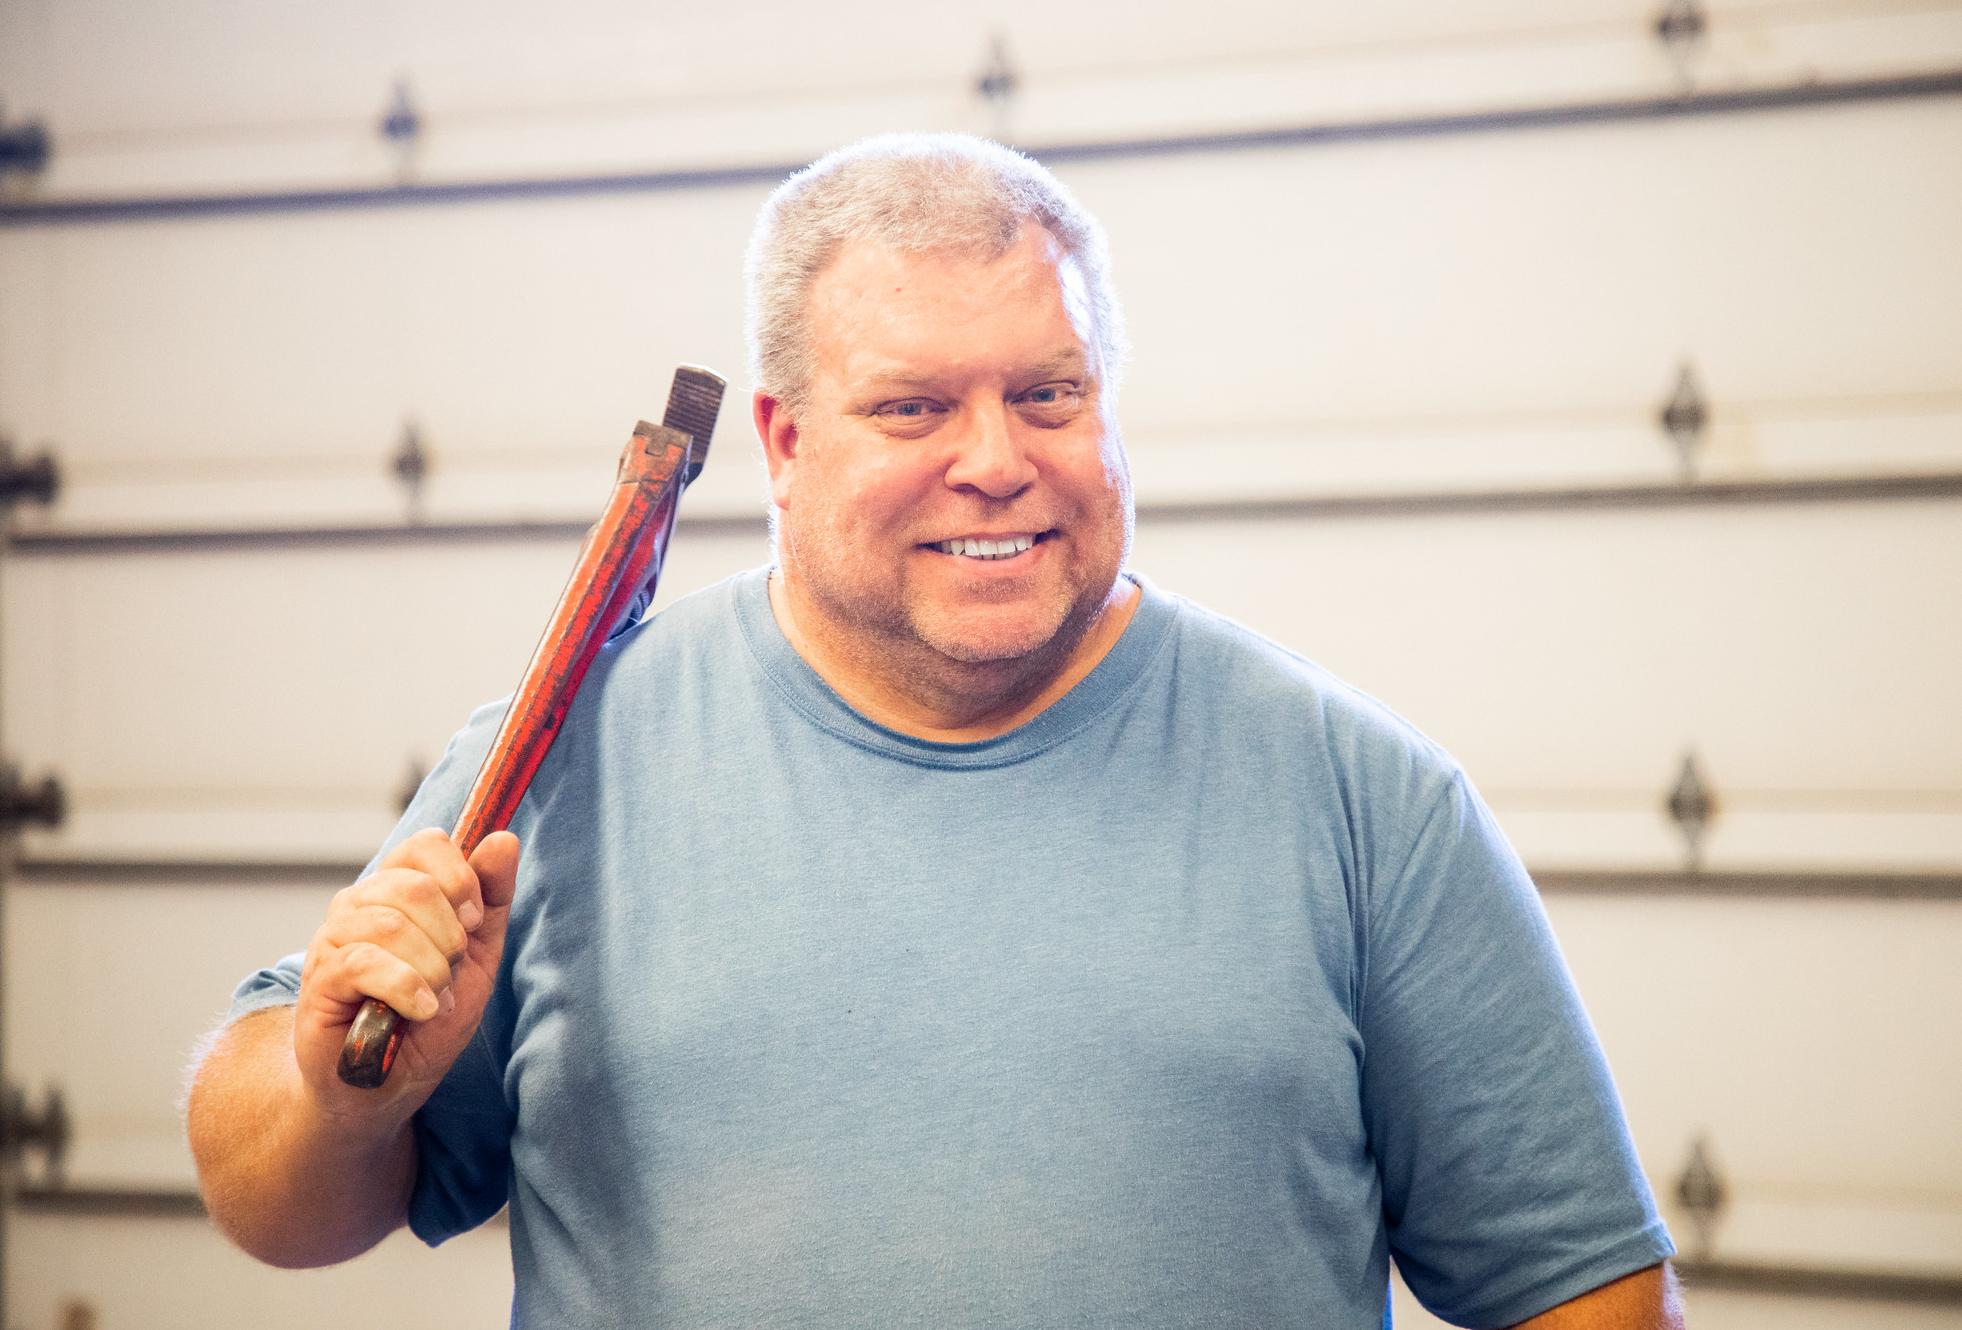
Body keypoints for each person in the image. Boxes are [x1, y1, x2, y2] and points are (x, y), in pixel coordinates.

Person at [188, 133, 1683, 1327]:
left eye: (1047, 392)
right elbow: (275, 1203)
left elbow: (1588, 1294)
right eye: (911, 409)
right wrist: (333, 1097)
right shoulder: (564, 758)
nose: (996, 462)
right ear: (779, 442)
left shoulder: (1357, 794)